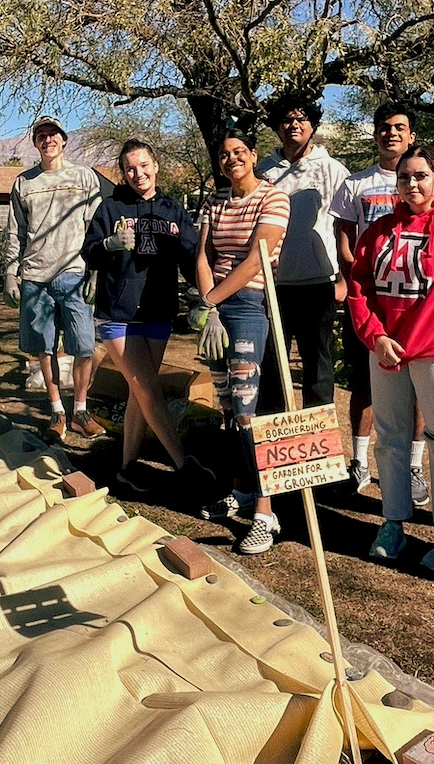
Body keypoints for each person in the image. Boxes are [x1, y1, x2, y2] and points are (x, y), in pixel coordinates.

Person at [347, 145, 434, 571]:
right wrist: (377, 336)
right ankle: (393, 521)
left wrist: (407, 345)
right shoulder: (379, 230)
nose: (412, 185)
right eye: (404, 177)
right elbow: (360, 287)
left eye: (421, 176)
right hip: (386, 348)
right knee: (390, 436)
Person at [332, 100, 434, 506]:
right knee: (364, 385)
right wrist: (353, 276)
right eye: (384, 127)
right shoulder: (356, 184)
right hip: (371, 305)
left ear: (411, 135)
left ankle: (414, 466)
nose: (391, 133)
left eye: (399, 127)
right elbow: (345, 235)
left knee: (417, 395)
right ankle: (359, 461)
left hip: (418, 313)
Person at [81, 139, 215, 495]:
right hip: (117, 314)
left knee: (140, 392)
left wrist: (209, 298)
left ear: (155, 166)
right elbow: (89, 252)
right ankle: (184, 465)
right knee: (147, 388)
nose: (138, 174)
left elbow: (193, 258)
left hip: (158, 311)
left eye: (143, 166)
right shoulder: (110, 208)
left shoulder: (173, 210)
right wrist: (109, 244)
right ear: (123, 173)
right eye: (129, 168)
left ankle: (126, 469)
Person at [192, 125, 291, 554]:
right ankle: (241, 490)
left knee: (250, 411)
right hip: (214, 311)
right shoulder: (215, 201)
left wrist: (211, 298)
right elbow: (202, 254)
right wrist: (207, 306)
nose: (231, 160)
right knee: (228, 409)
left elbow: (256, 259)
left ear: (253, 155)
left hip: (250, 307)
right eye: (224, 155)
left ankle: (265, 515)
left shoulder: (273, 197)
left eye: (238, 152)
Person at [4, 115, 104, 441]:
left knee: (85, 345)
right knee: (44, 349)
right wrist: (10, 272)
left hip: (74, 274)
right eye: (41, 135)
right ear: (36, 143)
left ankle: (80, 411)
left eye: (53, 134)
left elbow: (97, 227)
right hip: (34, 278)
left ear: (64, 139)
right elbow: (15, 231)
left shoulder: (84, 177)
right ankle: (57, 411)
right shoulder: (24, 183)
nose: (48, 140)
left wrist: (96, 270)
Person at [254, 96, 350, 416]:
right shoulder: (263, 171)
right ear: (277, 126)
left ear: (312, 125)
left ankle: (318, 447)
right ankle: (273, 444)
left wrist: (343, 279)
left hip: (318, 283)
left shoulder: (333, 171)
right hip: (272, 284)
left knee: (318, 366)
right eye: (287, 119)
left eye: (301, 119)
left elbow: (347, 227)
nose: (294, 125)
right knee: (271, 365)